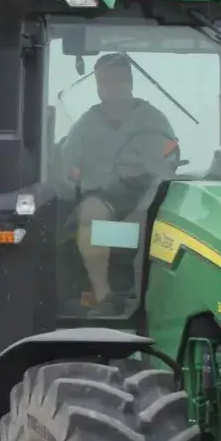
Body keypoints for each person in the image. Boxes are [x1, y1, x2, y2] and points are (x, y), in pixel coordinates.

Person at [61, 53, 178, 311]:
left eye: (119, 80)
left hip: (146, 199)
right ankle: (104, 297)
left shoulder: (153, 120)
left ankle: (145, 298)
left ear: (130, 82)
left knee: (149, 224)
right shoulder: (85, 124)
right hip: (101, 199)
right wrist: (73, 173)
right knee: (93, 214)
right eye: (105, 81)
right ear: (98, 86)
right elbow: (67, 166)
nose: (112, 86)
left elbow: (169, 164)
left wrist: (139, 207)